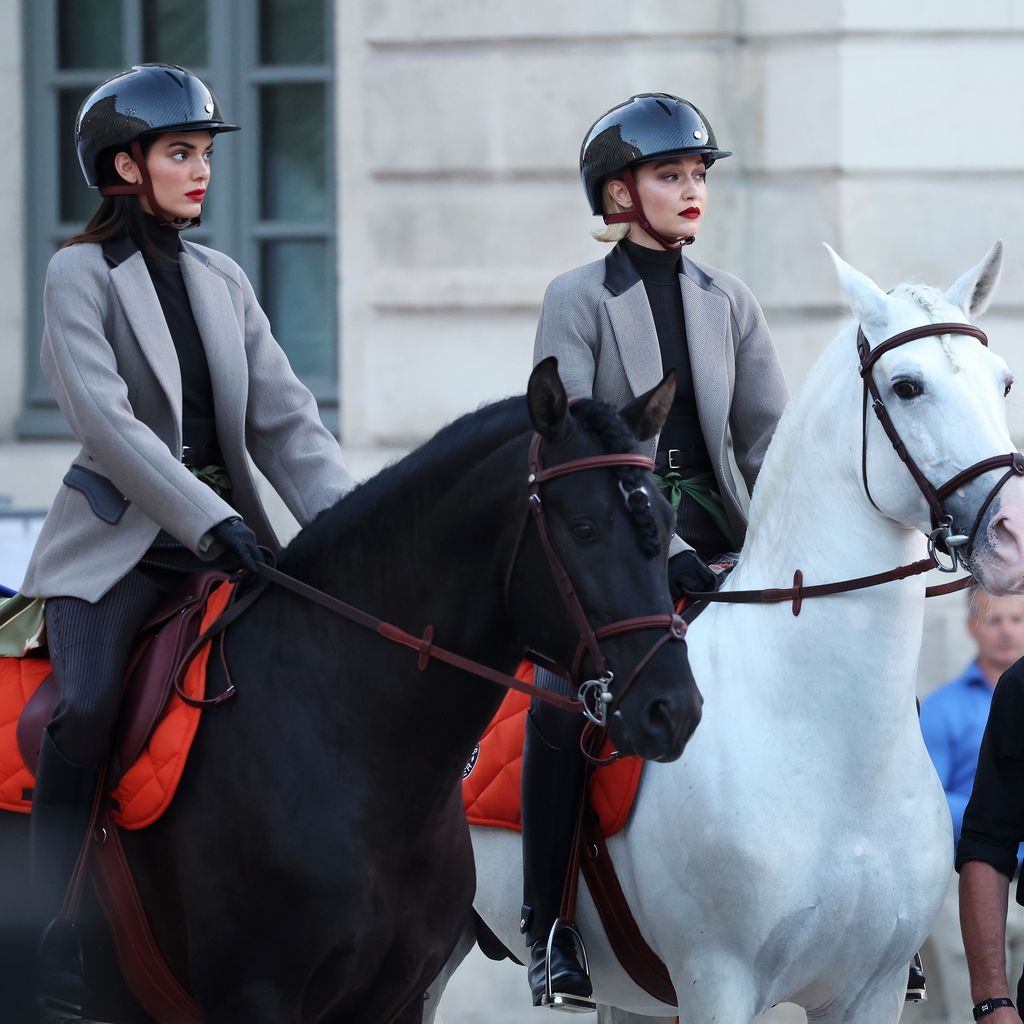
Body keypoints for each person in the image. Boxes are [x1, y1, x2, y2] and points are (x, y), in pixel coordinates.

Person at [19, 63, 353, 1023]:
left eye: (204, 154)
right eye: (180, 154)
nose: (201, 172)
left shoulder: (222, 277)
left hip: (230, 543)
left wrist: (352, 532)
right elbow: (110, 429)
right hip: (118, 548)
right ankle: (50, 937)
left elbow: (289, 424)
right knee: (81, 709)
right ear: (125, 166)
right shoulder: (75, 273)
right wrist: (212, 522)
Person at [520, 93, 789, 1010]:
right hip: (616, 561)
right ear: (619, 193)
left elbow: (767, 446)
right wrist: (664, 549)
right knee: (560, 699)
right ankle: (549, 927)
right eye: (672, 175)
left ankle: (866, 913)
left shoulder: (731, 302)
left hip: (730, 555)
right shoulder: (578, 299)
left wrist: (798, 554)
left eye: (699, 175)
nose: (692, 190)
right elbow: (572, 450)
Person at [920, 588, 1024, 1022]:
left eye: (1016, 620)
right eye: (993, 619)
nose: (1006, 631)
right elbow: (929, 801)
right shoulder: (943, 707)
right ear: (970, 629)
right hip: (970, 877)